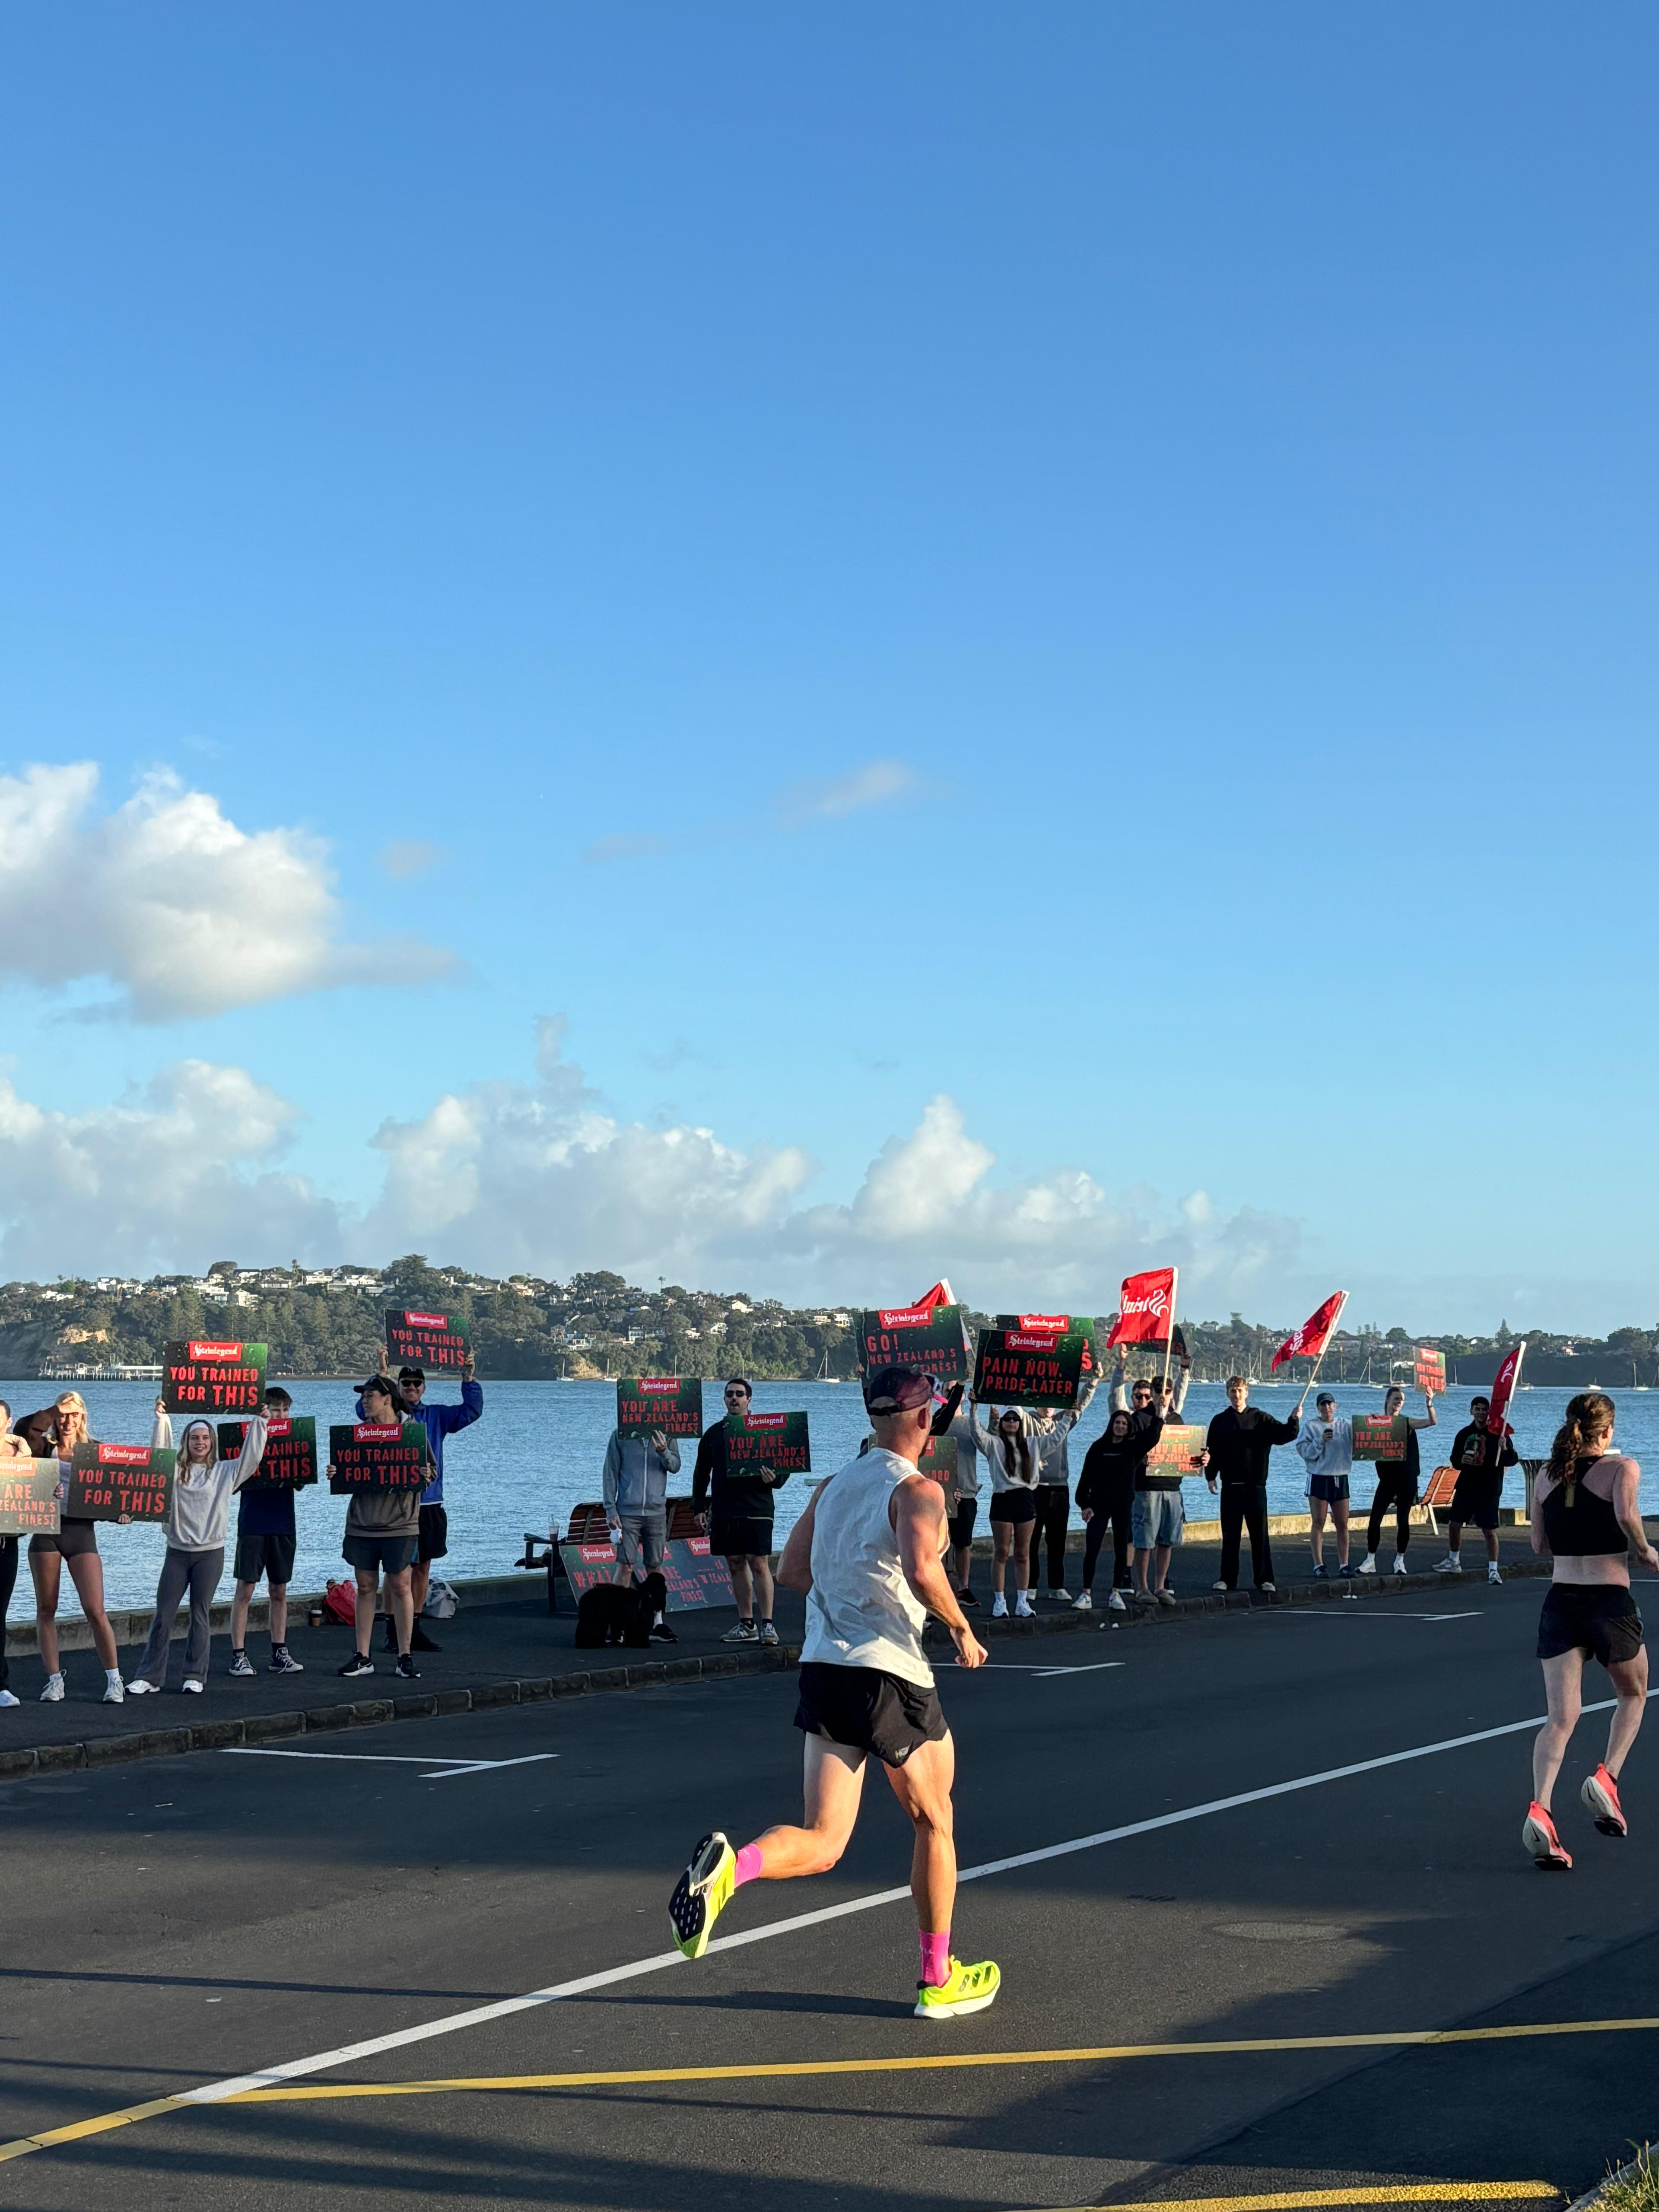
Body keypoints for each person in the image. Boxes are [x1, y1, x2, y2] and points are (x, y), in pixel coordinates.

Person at [666, 1364, 998, 2020]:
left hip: (825, 1666)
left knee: (824, 1839)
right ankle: (938, 1979)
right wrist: (961, 1629)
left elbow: (791, 1570)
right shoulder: (920, 1490)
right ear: (926, 1422)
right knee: (936, 1822)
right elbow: (922, 1565)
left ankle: (738, 1867)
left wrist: (844, 1599)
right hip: (890, 1672)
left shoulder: (833, 1486)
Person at [1522, 1392, 1657, 1871]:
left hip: (1560, 1600)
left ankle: (1541, 1807)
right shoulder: (1623, 1469)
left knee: (1560, 1718)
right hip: (1607, 1602)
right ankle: (1608, 1778)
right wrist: (1644, 1549)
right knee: (1635, 1691)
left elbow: (1539, 1542)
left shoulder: (1545, 1475)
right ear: (1608, 1431)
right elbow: (1625, 1514)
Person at [129, 1402, 269, 1695]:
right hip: (177, 1553)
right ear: (187, 1442)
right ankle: (150, 1676)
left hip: (210, 1553)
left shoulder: (224, 1472)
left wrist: (259, 1423)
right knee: (163, 1615)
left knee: (200, 1613)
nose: (200, 1442)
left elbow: (251, 1459)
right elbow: (159, 1454)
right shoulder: (173, 1471)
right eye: (195, 1438)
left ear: (212, 1442)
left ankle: (195, 1675)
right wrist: (162, 1420)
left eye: (205, 1438)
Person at [359, 1352, 483, 1655]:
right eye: (406, 1384)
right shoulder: (387, 1416)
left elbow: (472, 1411)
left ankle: (413, 1628)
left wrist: (468, 1379)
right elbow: (363, 1411)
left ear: (424, 1388)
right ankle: (393, 1629)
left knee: (423, 1567)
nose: (412, 1388)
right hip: (398, 1504)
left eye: (417, 1384)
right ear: (397, 1388)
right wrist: (382, 1374)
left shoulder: (437, 1415)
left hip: (430, 1502)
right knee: (396, 1570)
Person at [23, 1392, 124, 1705]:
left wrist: (120, 1512)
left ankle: (114, 1679)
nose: (68, 1421)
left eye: (75, 1414)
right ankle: (54, 1681)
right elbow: (27, 1428)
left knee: (95, 1610)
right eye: (63, 1415)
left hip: (81, 1534)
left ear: (83, 1418)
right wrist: (56, 1409)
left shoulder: (95, 1450)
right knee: (46, 1610)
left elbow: (115, 1491)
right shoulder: (44, 1448)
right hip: (46, 1532)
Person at [334, 1373, 435, 1682]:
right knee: (365, 1587)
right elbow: (347, 1471)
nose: (365, 1402)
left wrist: (425, 1473)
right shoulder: (356, 1435)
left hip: (400, 1523)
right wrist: (336, 1471)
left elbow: (431, 1473)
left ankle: (405, 1655)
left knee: (401, 1585)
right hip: (362, 1523)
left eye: (370, 1396)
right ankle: (362, 1656)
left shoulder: (413, 1433)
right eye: (363, 1397)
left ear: (387, 1399)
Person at [692, 1377, 782, 1647]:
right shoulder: (714, 1434)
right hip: (725, 1509)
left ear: (749, 1400)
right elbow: (701, 1473)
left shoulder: (764, 1431)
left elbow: (784, 1464)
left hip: (758, 1508)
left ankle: (768, 1624)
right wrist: (699, 1507)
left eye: (739, 1394)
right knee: (734, 1563)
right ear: (724, 1399)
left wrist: (775, 1479)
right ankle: (747, 1624)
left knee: (759, 1563)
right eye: (729, 1394)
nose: (734, 1398)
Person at [227, 1385, 305, 1678]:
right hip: (253, 1522)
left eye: (285, 1410)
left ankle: (279, 1652)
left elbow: (301, 1478)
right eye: (276, 1410)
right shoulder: (248, 1440)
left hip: (284, 1522)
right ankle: (238, 1654)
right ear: (264, 1411)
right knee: (245, 1590)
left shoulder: (294, 1440)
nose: (281, 1415)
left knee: (280, 1590)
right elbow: (233, 1480)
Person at [1204, 1377, 1300, 1593]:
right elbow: (1212, 1452)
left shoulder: (1261, 1419)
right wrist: (1211, 1477)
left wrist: (1294, 1420)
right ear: (1227, 1393)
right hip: (1230, 1487)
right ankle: (1227, 1579)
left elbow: (1285, 1435)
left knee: (1260, 1537)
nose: (1236, 1395)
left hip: (1256, 1487)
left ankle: (1265, 1579)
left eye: (1240, 1390)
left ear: (1247, 1393)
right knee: (1230, 1537)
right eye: (1232, 1391)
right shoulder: (1219, 1421)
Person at [1024, 1361, 1099, 1606]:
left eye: (1051, 1402)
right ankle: (1031, 1585)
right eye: (1043, 1402)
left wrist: (1093, 1381)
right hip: (1034, 1489)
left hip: (1060, 1489)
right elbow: (1010, 1410)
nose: (1047, 1407)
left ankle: (1057, 1585)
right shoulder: (1027, 1421)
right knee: (1032, 1540)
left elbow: (1082, 1405)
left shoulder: (1063, 1421)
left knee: (1057, 1540)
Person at [601, 1417, 680, 1644]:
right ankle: (616, 1625)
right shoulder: (621, 1435)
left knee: (655, 1567)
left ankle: (657, 1623)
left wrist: (664, 1451)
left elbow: (675, 1466)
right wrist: (610, 1509)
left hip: (656, 1512)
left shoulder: (667, 1434)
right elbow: (610, 1473)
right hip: (627, 1512)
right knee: (625, 1566)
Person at [1074, 1407, 1161, 1611]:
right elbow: (1085, 1478)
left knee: (1121, 1550)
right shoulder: (1098, 1447)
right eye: (1118, 1423)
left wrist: (1159, 1416)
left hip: (1122, 1507)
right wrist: (1084, 1504)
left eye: (1124, 1424)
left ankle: (1115, 1593)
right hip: (1098, 1507)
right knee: (1092, 1550)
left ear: (1128, 1427)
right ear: (1111, 1424)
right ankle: (1086, 1593)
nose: (1121, 1427)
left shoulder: (1133, 1449)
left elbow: (1151, 1439)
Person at [1433, 1395, 1520, 1585]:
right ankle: (1454, 1560)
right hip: (1467, 1485)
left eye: (1484, 1409)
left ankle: (1493, 1570)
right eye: (1477, 1409)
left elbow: (1512, 1461)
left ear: (1490, 1412)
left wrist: (1505, 1448)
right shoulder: (1464, 1434)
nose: (1481, 1413)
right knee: (1454, 1524)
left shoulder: (1499, 1433)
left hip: (1489, 1488)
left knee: (1489, 1530)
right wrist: (1461, 1461)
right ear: (1471, 1411)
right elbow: (1455, 1459)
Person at [971, 1399, 1041, 1619]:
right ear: (1001, 1422)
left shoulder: (1031, 1444)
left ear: (1021, 1423)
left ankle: (1022, 1602)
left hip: (1025, 1498)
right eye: (1007, 1419)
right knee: (1001, 1551)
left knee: (1023, 1553)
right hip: (1002, 1498)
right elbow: (976, 1433)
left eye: (1015, 1419)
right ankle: (999, 1601)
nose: (1011, 1422)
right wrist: (974, 1408)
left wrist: (1069, 1415)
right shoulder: (994, 1444)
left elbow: (1057, 1438)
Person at [1357, 1384, 1437, 1576]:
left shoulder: (1406, 1422)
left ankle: (1400, 1561)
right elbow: (1363, 1441)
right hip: (1387, 1479)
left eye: (1401, 1400)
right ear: (1388, 1401)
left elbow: (1431, 1422)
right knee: (1375, 1518)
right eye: (1396, 1399)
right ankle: (1370, 1560)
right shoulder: (1378, 1421)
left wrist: (1429, 1404)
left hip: (1407, 1479)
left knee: (1403, 1520)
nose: (1399, 1402)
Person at [1297, 1392, 1357, 1578]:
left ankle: (1344, 1564)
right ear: (1318, 1408)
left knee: (1342, 1523)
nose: (1327, 1407)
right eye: (1323, 1405)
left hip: (1340, 1477)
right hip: (1319, 1477)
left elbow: (1361, 1441)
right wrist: (1320, 1440)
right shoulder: (1311, 1426)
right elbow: (1305, 1452)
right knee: (1318, 1522)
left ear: (1335, 1406)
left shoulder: (1345, 1426)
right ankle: (1318, 1565)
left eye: (1330, 1404)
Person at [0, 1404, 32, 1710]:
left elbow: (28, 1509)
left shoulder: (21, 1459)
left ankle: (2, 1685)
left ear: (8, 1423)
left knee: (0, 1617)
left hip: (6, 1546)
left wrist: (51, 1495)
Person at [938, 1389, 982, 1608]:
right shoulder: (935, 1421)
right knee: (939, 1547)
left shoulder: (970, 1424)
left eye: (955, 1390)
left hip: (966, 1492)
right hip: (938, 1495)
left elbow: (988, 1444)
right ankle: (942, 1589)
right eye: (947, 1389)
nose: (951, 1394)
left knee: (964, 1544)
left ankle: (963, 1588)